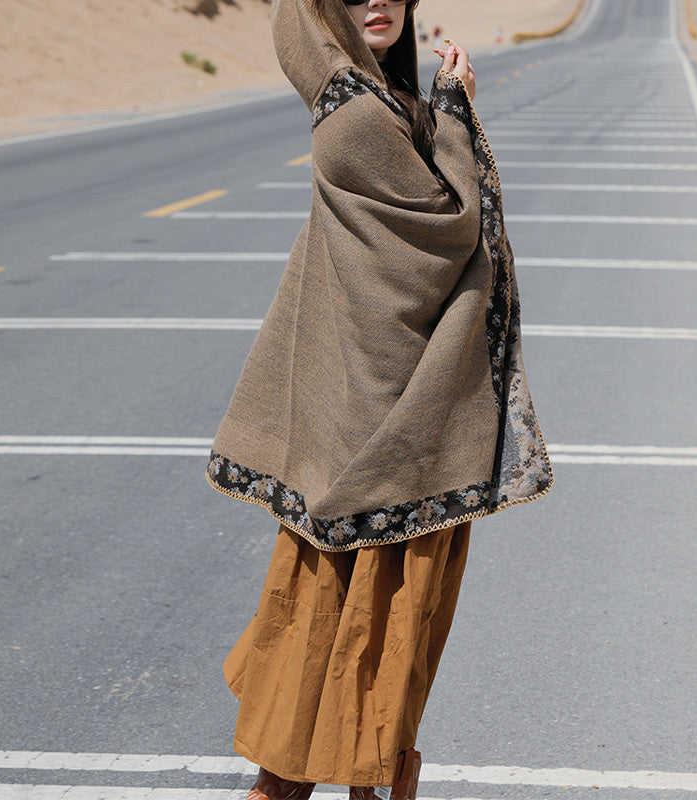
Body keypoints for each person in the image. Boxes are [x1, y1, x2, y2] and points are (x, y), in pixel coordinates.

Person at [206, 1, 554, 798]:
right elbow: (450, 223)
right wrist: (459, 111)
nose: (377, 2)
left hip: (391, 422)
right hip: (387, 438)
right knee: (360, 642)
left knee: (375, 644)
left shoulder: (385, 101)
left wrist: (439, 108)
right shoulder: (353, 114)